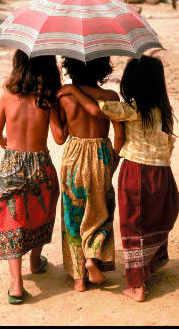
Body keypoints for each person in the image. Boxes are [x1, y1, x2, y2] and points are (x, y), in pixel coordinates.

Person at [58, 55, 179, 302]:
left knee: (88, 217)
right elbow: (119, 138)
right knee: (119, 216)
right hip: (159, 173)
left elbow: (79, 121)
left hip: (105, 166)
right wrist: (110, 164)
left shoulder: (126, 108)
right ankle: (128, 265)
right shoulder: (162, 110)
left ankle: (98, 280)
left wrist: (71, 89)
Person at [0, 50, 67, 304]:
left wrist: (9, 148)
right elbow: (58, 138)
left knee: (12, 218)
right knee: (40, 212)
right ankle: (35, 261)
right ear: (48, 68)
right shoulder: (47, 99)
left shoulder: (7, 96)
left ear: (18, 66)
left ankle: (16, 285)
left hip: (12, 162)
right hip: (40, 164)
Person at [57, 57, 125, 292]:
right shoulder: (110, 97)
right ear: (103, 68)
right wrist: (112, 162)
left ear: (70, 68)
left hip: (73, 157)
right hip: (100, 156)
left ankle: (78, 279)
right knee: (100, 212)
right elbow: (120, 137)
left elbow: (58, 138)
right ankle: (92, 259)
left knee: (73, 215)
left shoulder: (65, 96)